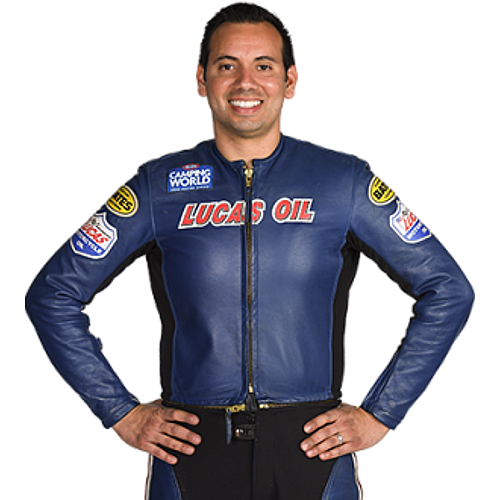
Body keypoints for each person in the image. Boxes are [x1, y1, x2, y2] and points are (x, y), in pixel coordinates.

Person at [25, 2, 474, 499]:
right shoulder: (159, 186)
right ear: (201, 79)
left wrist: (381, 412)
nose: (245, 83)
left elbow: (448, 289)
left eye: (263, 65)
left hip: (314, 451)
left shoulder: (342, 181)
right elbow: (52, 295)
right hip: (191, 452)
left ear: (290, 80)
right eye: (226, 66)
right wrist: (120, 412)